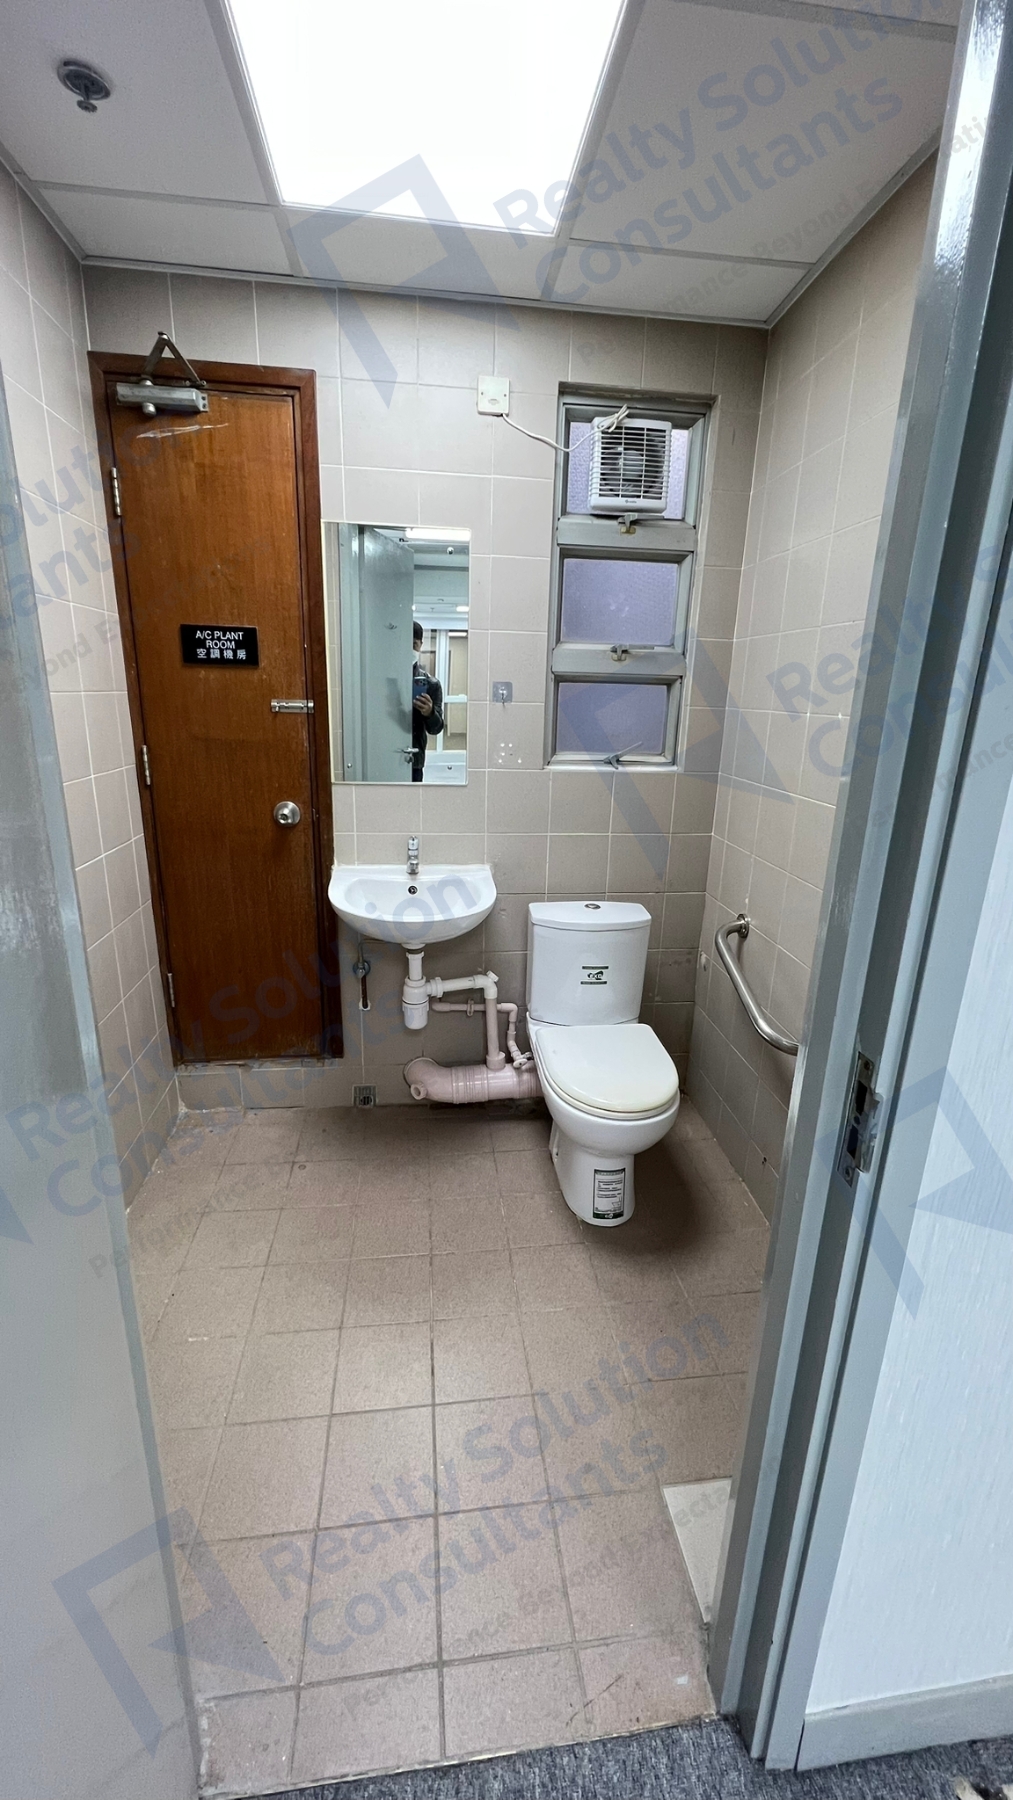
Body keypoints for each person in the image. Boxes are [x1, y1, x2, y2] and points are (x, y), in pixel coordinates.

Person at [411, 620, 444, 782]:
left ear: (420, 645)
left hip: (414, 760)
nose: (409, 650)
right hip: (383, 756)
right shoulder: (379, 680)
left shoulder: (431, 684)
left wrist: (430, 713)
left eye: (414, 644)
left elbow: (436, 729)